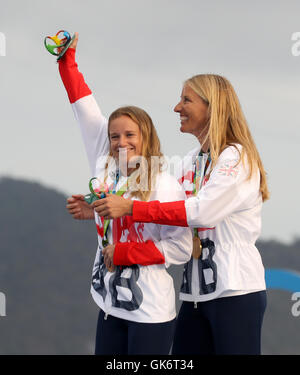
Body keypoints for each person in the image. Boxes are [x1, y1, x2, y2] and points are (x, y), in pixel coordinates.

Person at [95, 74, 270, 355]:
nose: (177, 108)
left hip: (236, 291)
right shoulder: (191, 159)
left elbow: (202, 212)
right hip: (194, 294)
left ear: (212, 107)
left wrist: (131, 208)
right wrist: (96, 205)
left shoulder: (237, 157)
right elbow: (154, 198)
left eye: (186, 100)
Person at [57, 33, 193, 355]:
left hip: (149, 312)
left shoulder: (163, 184)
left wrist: (126, 254)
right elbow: (83, 107)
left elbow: (182, 247)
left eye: (130, 135)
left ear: (146, 137)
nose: (121, 143)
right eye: (115, 136)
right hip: (109, 302)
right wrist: (66, 60)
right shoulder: (106, 161)